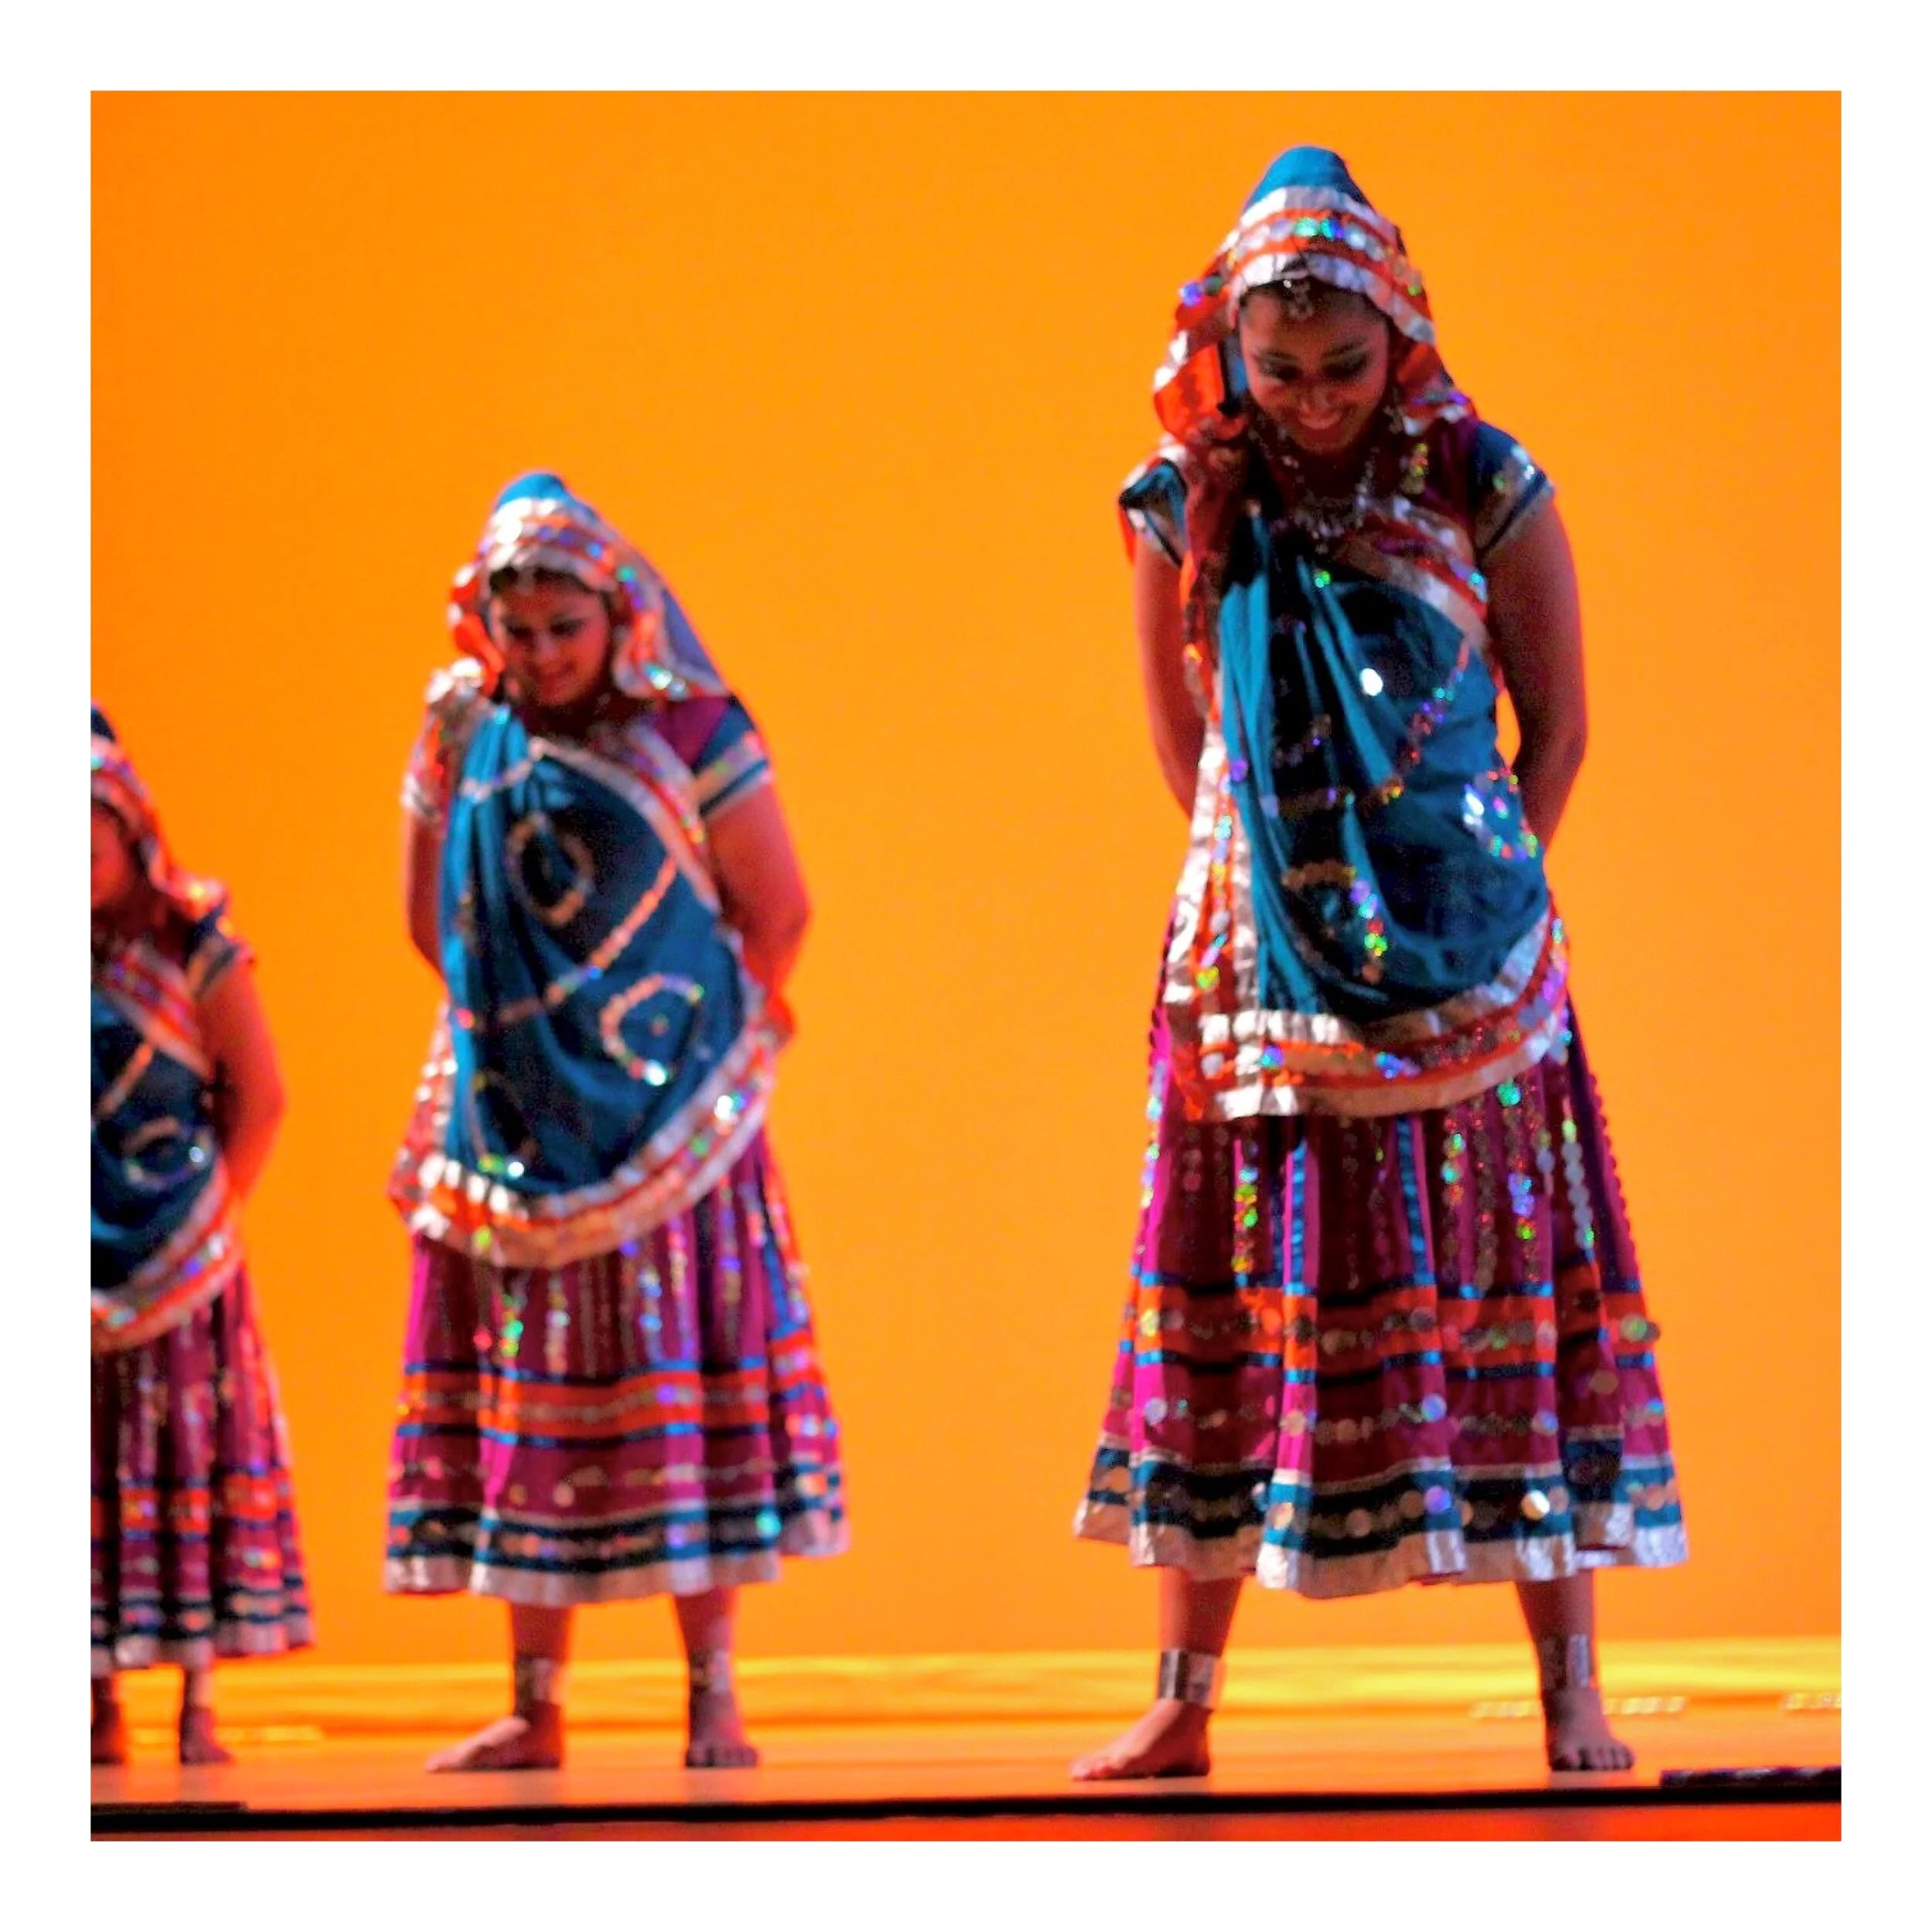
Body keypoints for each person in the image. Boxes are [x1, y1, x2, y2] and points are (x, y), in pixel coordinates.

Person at [1070, 148, 1685, 1780]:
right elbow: (1175, 730)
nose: (1316, 399)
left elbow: (1551, 726)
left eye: (1344, 365)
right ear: (1227, 352)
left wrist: (1468, 896)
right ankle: (1180, 1705)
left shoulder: (1483, 479)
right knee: (1228, 1297)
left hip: (1470, 971)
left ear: (1400, 332)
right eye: (1278, 370)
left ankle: (1571, 1696)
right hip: (1252, 972)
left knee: (1508, 1288)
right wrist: (1270, 883)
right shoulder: (1184, 498)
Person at [386, 473, 846, 1771]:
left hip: (672, 1134)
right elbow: (430, 919)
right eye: (512, 629)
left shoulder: (691, 727)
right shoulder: (463, 727)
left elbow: (780, 909)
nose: (533, 657)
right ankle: (535, 1703)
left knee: (679, 1396)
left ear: (616, 614)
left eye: (559, 632)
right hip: (512, 1123)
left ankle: (712, 1693)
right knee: (528, 1406)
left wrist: (685, 1053)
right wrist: (525, 1030)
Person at [91, 706, 312, 1764]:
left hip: (181, 1253)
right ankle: (91, 1695)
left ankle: (199, 1700)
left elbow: (259, 1096)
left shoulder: (194, 945)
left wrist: (210, 1223)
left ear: (130, 831)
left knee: (183, 1461)